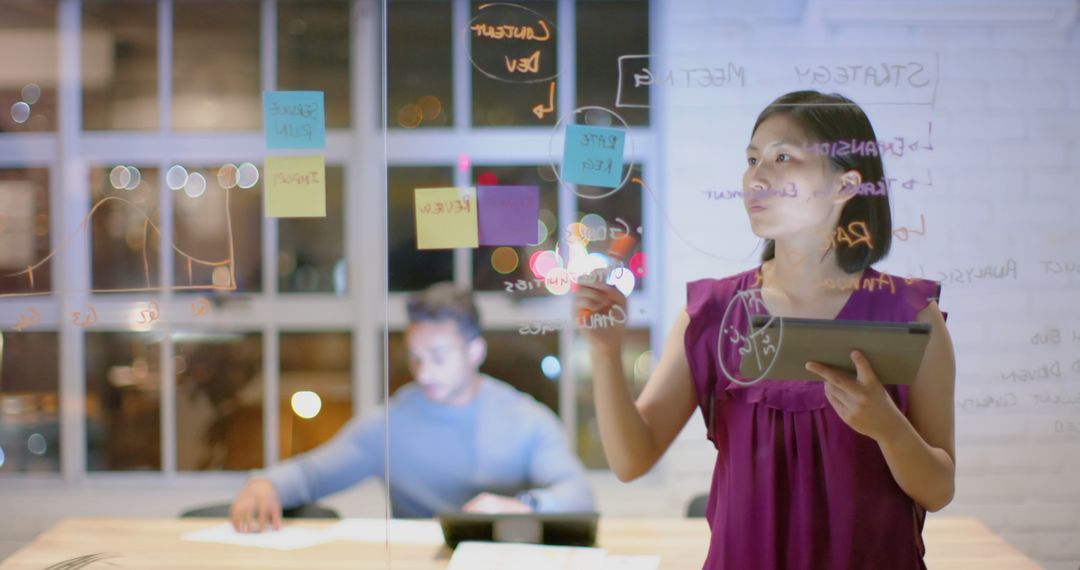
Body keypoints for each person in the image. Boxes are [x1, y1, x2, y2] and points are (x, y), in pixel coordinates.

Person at [575, 90, 955, 569]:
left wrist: (888, 428)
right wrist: (606, 353)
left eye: (782, 158)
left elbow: (939, 489)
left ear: (845, 185)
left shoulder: (913, 316)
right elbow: (633, 459)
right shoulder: (714, 313)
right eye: (752, 159)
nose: (756, 177)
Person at [231, 282, 594, 532]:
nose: (425, 372)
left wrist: (522, 508)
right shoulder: (392, 423)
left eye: (438, 357)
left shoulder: (526, 419)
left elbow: (577, 495)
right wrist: (265, 483)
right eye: (416, 358)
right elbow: (312, 475)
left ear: (475, 352)